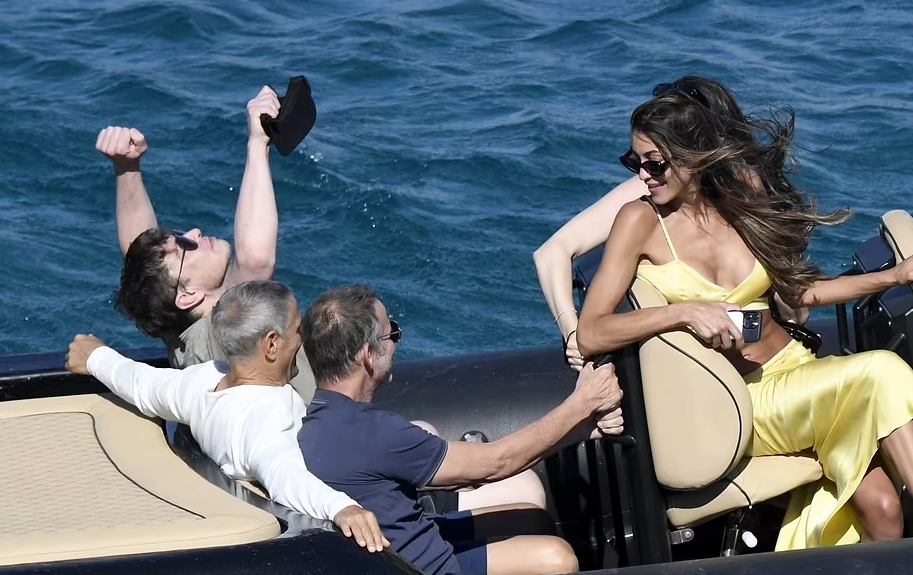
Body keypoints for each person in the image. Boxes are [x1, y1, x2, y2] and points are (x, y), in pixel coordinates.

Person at [572, 76, 913, 550]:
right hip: (741, 403)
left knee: (884, 510)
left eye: (654, 163)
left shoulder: (741, 197)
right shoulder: (640, 220)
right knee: (882, 371)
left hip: (800, 376)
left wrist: (894, 277)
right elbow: (591, 332)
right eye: (635, 162)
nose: (643, 174)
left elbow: (800, 292)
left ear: (694, 157)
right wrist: (684, 312)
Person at [298, 284, 625, 575]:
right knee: (557, 558)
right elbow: (495, 464)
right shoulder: (375, 432)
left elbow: (471, 476)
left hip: (404, 546)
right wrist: (583, 402)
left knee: (531, 518)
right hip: (425, 566)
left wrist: (579, 430)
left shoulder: (315, 425)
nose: (397, 341)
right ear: (369, 355)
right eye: (391, 333)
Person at [64, 280, 388, 552]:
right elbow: (284, 475)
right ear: (271, 344)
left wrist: (95, 357)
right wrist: (341, 508)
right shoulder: (265, 416)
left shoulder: (202, 381)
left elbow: (142, 384)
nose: (303, 338)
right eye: (297, 329)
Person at [96, 86, 316, 402]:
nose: (195, 232)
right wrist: (258, 144)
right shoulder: (221, 335)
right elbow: (255, 262)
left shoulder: (178, 324)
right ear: (188, 296)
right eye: (185, 245)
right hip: (314, 428)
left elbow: (140, 251)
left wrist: (126, 168)